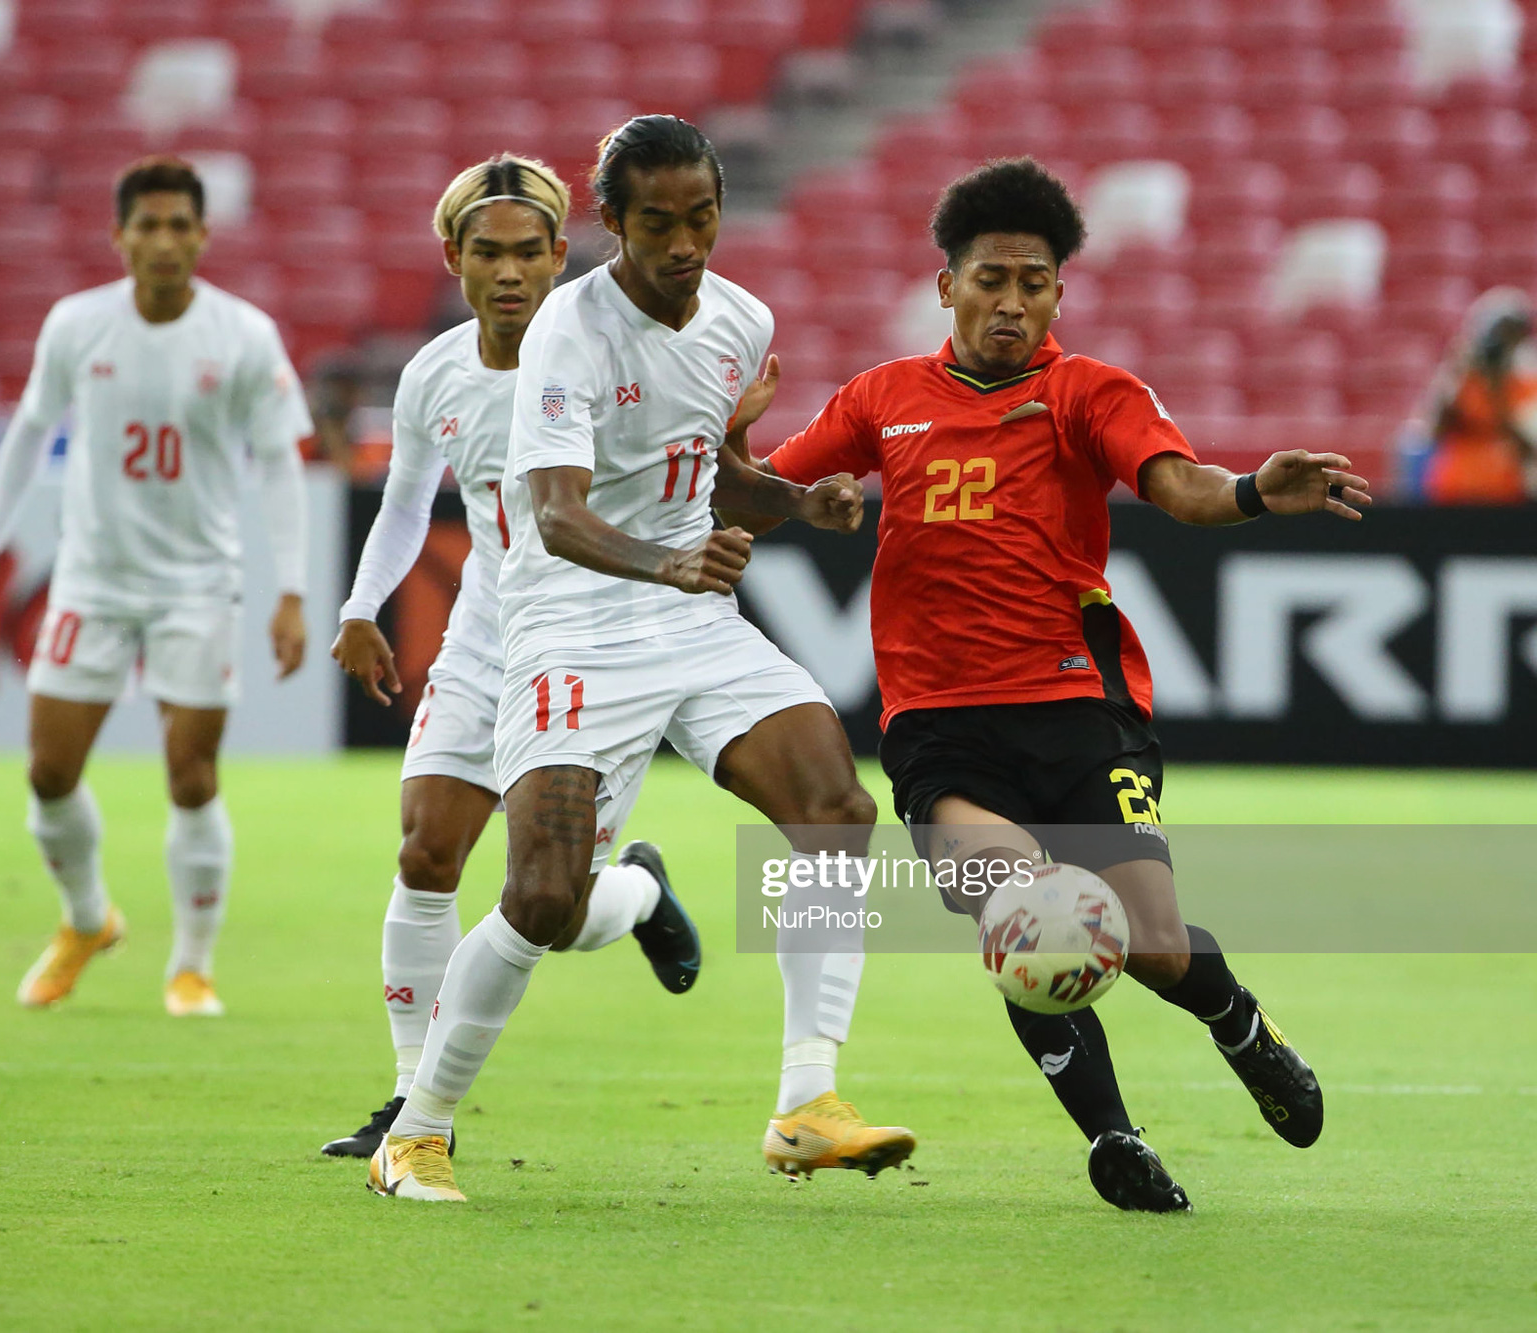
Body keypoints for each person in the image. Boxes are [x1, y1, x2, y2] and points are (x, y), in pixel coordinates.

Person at [756, 157, 1366, 1211]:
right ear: (944, 283)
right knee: (1027, 921)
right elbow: (770, 488)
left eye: (1032, 282)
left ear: (1057, 291)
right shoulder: (881, 400)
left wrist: (1253, 495)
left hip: (1076, 712)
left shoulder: (1087, 391)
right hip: (939, 727)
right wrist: (749, 474)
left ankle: (1240, 1028)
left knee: (1157, 947)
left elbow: (1178, 490)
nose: (1010, 303)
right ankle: (1111, 1140)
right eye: (989, 279)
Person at [367, 117, 914, 1203]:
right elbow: (556, 514)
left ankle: (806, 1100)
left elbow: (711, 472)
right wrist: (669, 562)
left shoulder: (738, 317)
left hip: (688, 616)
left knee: (835, 810)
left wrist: (799, 499)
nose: (682, 243)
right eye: (655, 222)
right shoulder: (567, 333)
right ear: (609, 222)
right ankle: (413, 1133)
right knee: (539, 897)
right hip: (570, 620)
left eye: (700, 217)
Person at [321, 156, 705, 1159]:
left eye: (528, 251)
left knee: (554, 904)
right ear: (452, 258)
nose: (507, 271)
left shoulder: (608, 356)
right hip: (488, 633)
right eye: (485, 251)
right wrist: (363, 606)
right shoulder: (434, 374)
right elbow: (406, 501)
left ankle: (640, 894)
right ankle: (409, 1100)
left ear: (557, 255)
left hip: (590, 647)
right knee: (423, 849)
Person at [0, 157, 311, 1019]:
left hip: (199, 585)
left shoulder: (243, 335)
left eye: (178, 225)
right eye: (146, 225)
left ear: (202, 234)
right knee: (49, 770)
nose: (163, 241)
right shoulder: (77, 325)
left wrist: (294, 589)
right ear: (118, 236)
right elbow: (29, 432)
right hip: (93, 580)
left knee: (191, 776)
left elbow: (278, 464)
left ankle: (191, 966)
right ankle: (88, 919)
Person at [1420, 286, 1535, 504]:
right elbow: (1436, 430)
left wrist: (1497, 389)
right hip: (1454, 493)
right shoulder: (1465, 378)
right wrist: (1456, 374)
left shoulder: (1528, 384)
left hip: (1509, 496)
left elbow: (1527, 445)